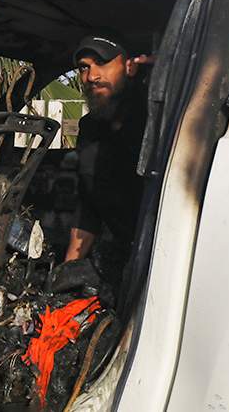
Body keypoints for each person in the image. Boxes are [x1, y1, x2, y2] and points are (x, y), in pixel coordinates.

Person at [64, 33, 153, 276]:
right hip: (122, 257)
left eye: (102, 63)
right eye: (84, 67)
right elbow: (88, 206)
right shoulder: (89, 128)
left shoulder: (157, 122)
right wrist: (67, 270)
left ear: (130, 67)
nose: (91, 76)